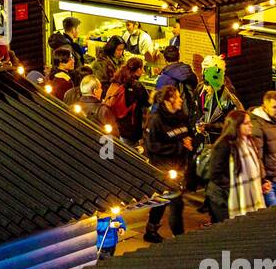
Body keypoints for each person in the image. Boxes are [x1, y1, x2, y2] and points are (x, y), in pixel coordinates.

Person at [142, 86, 195, 242]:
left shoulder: (181, 116)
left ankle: (151, 229)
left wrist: (190, 142)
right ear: (167, 101)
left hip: (180, 166)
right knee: (175, 203)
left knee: (163, 202)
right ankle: (178, 237)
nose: (180, 100)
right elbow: (152, 147)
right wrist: (179, 146)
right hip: (164, 168)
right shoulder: (155, 121)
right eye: (177, 97)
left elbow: (188, 133)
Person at [205, 109, 267, 223]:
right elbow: (215, 174)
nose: (251, 125)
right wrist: (234, 186)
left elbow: (255, 165)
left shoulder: (249, 142)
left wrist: (262, 181)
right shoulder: (224, 145)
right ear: (236, 125)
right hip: (223, 197)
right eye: (246, 123)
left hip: (244, 194)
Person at [103, 56, 149, 145]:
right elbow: (147, 103)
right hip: (131, 128)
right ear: (138, 69)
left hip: (116, 124)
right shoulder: (137, 86)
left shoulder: (117, 81)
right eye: (142, 68)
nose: (143, 71)